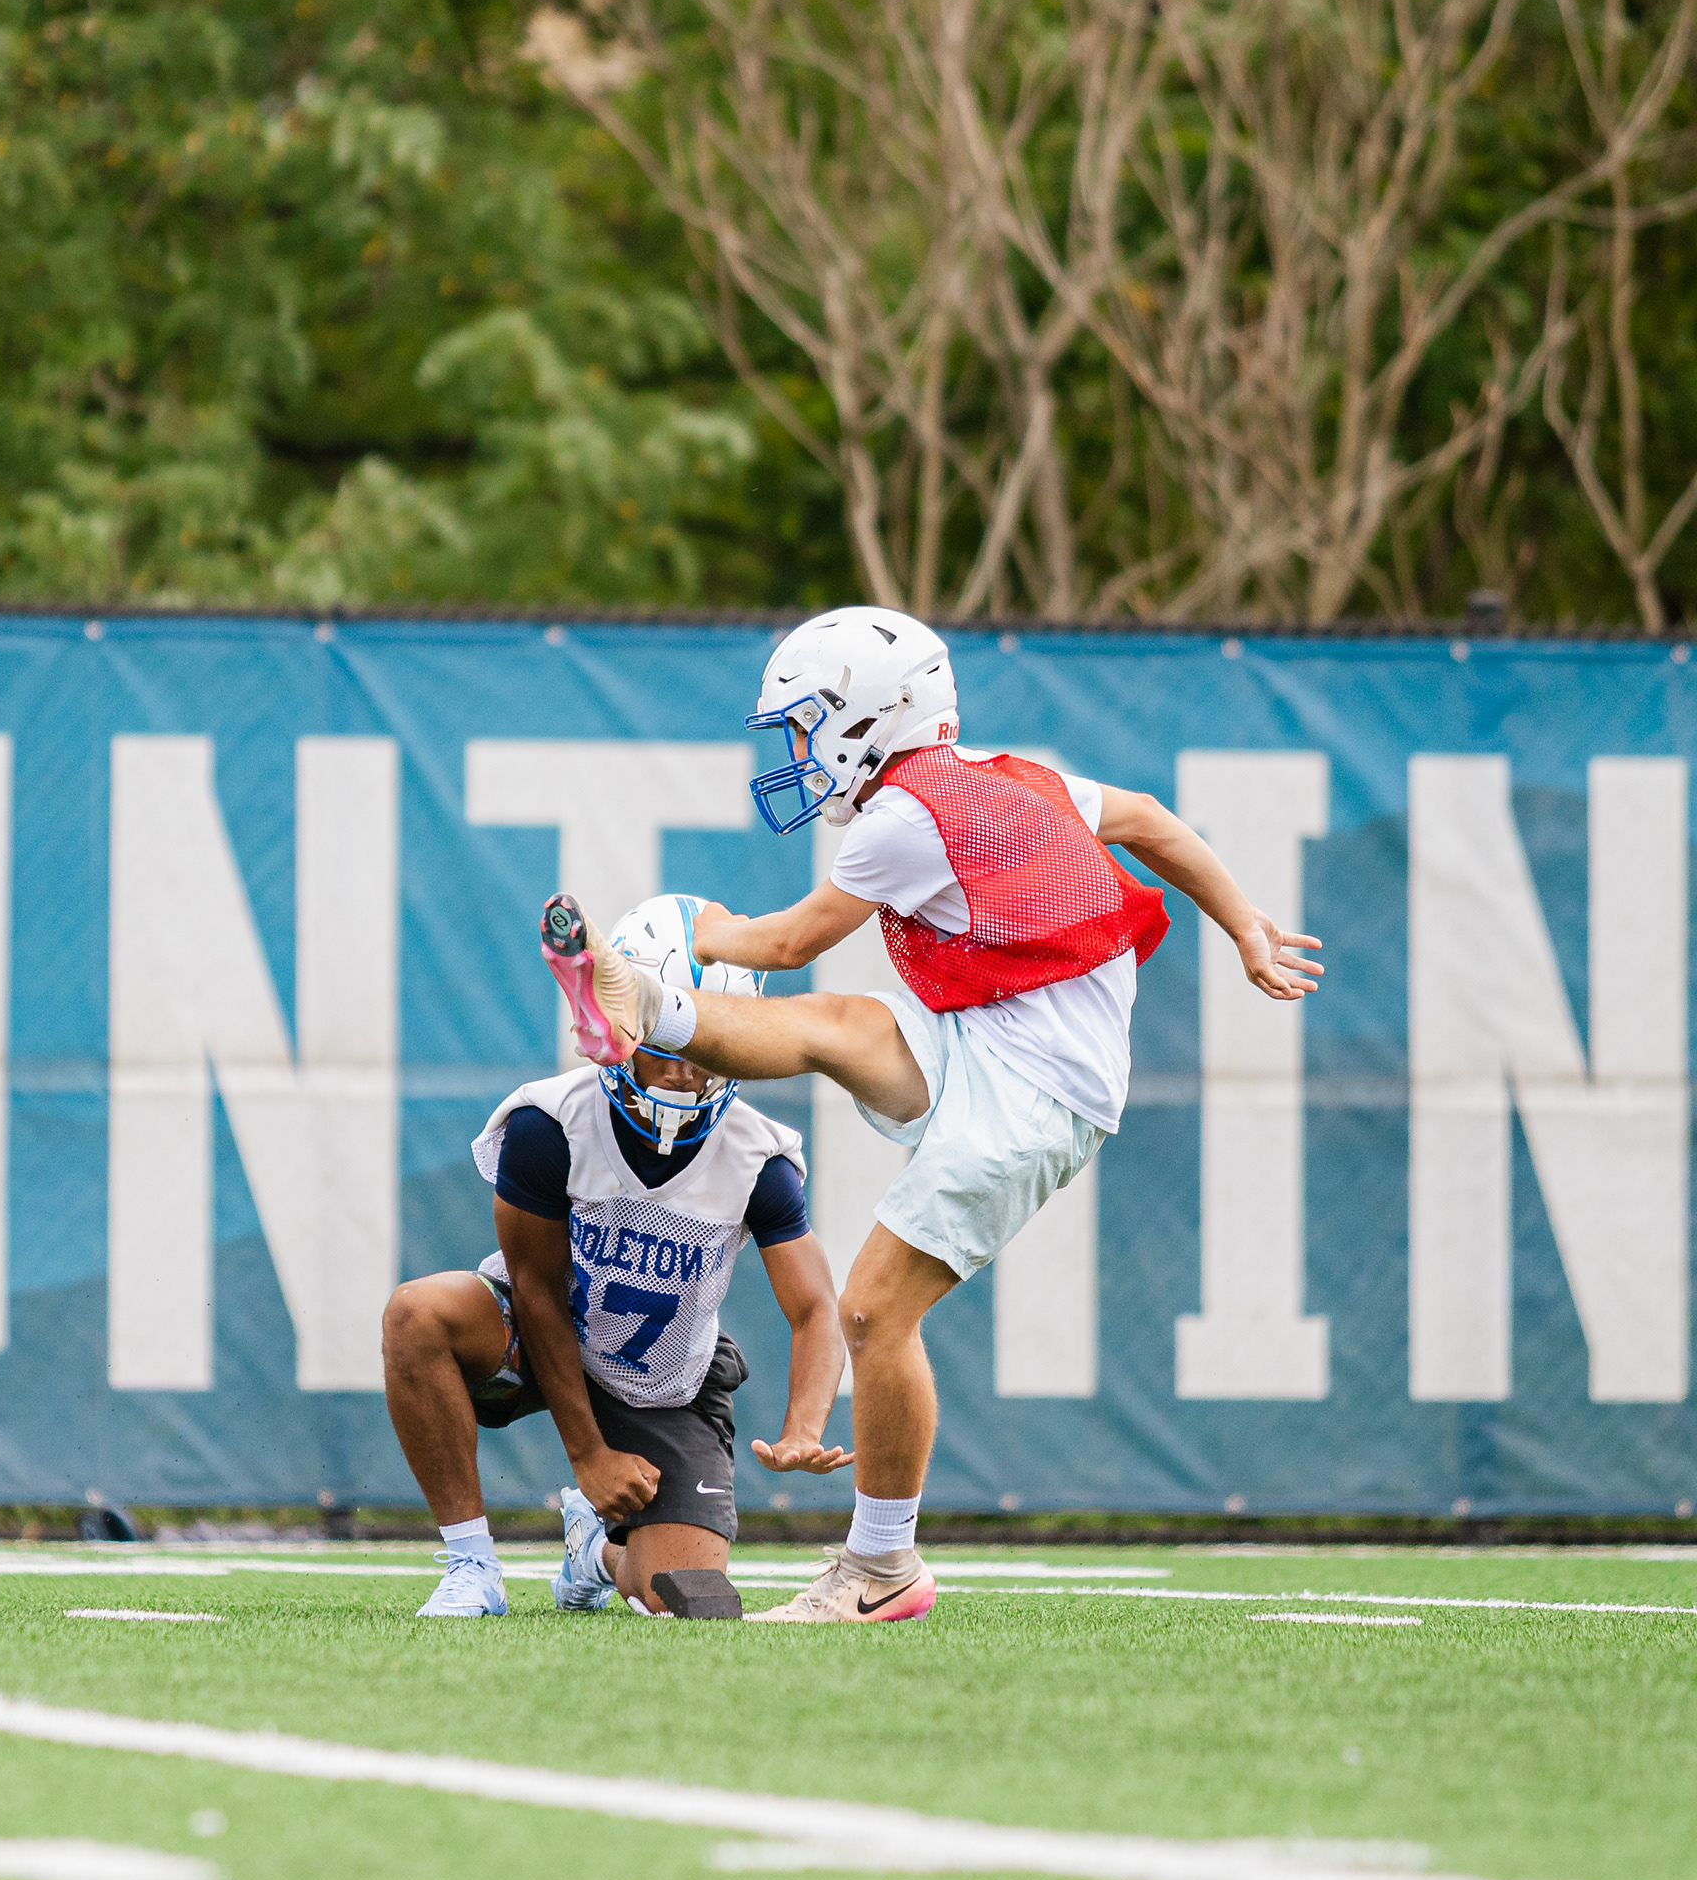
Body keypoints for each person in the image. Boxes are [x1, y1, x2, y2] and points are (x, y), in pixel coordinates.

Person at [540, 608, 1324, 1624]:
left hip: (1039, 1085)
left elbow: (785, 944)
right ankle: (640, 1006)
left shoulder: (904, 820)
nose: (796, 750)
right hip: (996, 1035)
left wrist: (707, 929)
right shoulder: (1010, 775)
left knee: (874, 1309)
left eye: (805, 724)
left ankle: (882, 1568)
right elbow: (1148, 819)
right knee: (833, 1026)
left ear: (865, 717)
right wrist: (1245, 923)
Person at [383, 892, 848, 1616]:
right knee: (416, 1314)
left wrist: (804, 1427)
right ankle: (472, 1564)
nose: (683, 1073)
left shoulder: (758, 1157)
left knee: (684, 1596)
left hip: (663, 1377)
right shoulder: (550, 1124)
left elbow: (816, 1307)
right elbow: (537, 1288)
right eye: (666, 1045)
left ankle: (592, 1554)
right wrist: (589, 1456)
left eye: (703, 1047)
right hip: (539, 1332)